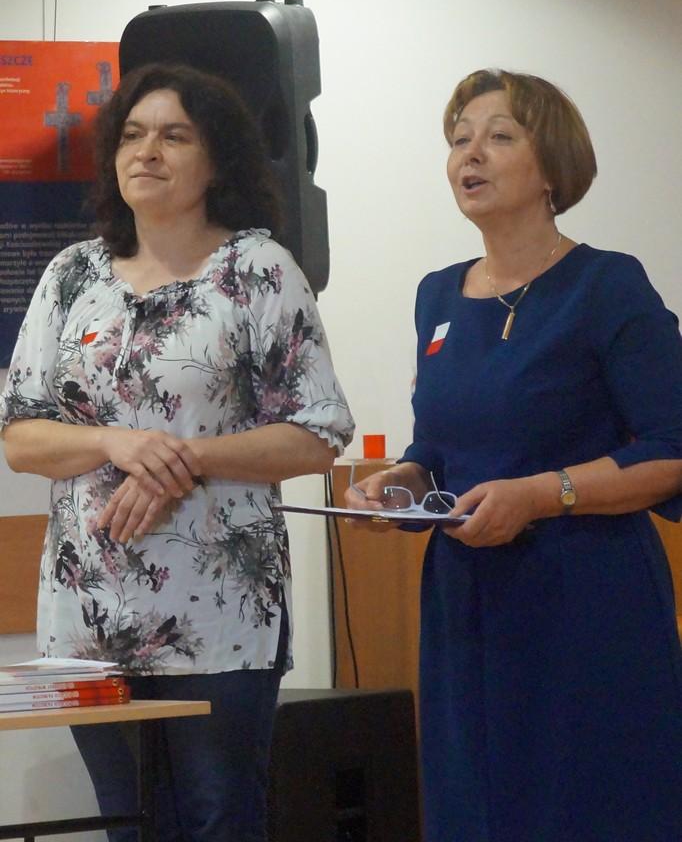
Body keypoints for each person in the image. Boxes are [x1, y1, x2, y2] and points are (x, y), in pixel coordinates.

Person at [0, 62, 354, 842]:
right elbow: (21, 436)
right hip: (89, 619)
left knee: (217, 823)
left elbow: (318, 432)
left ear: (217, 160)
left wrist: (183, 459)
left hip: (221, 617)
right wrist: (113, 440)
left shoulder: (259, 271)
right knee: (129, 826)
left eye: (174, 136)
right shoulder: (70, 276)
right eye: (132, 134)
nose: (147, 151)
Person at [346, 69, 682, 842]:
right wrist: (400, 484)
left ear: (552, 168)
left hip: (586, 602)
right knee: (473, 811)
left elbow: (672, 449)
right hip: (465, 605)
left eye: (499, 136)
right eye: (459, 138)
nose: (471, 154)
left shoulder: (607, 285)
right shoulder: (437, 295)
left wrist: (540, 494)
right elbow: (436, 450)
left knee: (586, 812)